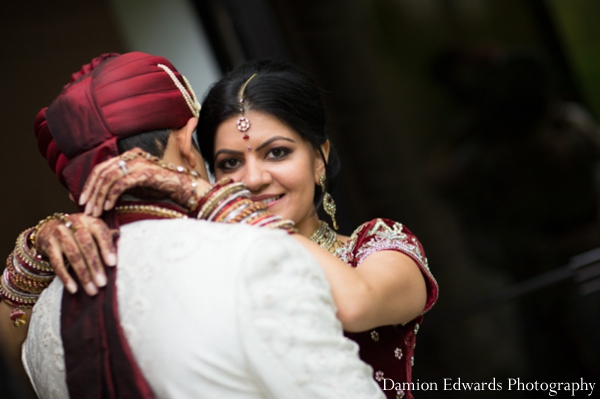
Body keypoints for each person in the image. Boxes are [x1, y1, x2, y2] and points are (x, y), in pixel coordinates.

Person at [11, 60, 438, 399]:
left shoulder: (379, 244)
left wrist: (200, 194)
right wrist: (34, 252)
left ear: (320, 156)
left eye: (277, 152)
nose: (252, 179)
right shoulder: (215, 258)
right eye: (229, 163)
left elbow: (356, 304)